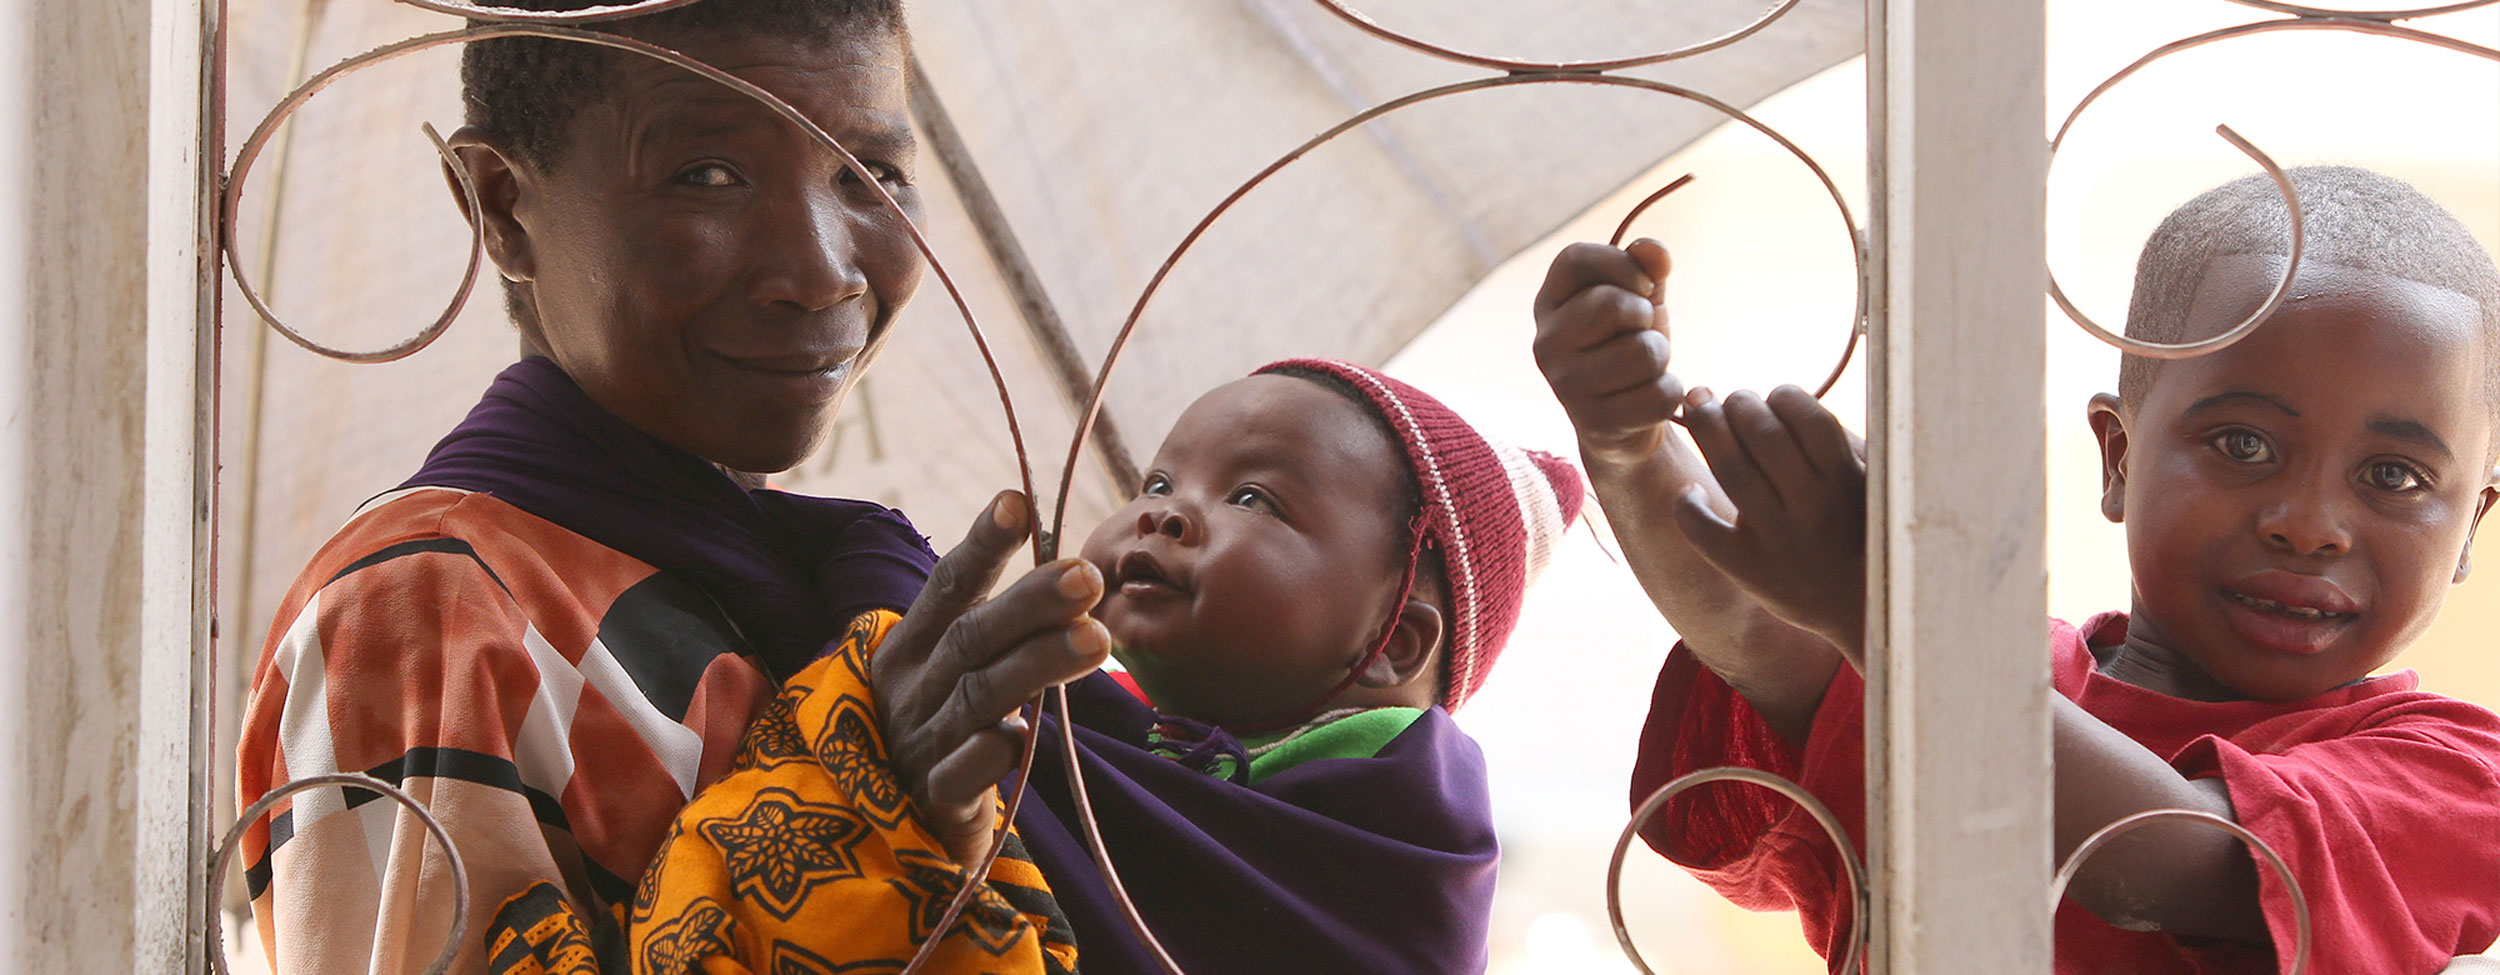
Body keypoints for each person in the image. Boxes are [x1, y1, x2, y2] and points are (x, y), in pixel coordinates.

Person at [234, 3, 1110, 972]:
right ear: (502, 207)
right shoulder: (431, 615)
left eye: (871, 175)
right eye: (710, 177)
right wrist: (854, 813)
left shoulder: (829, 592)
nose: (822, 272)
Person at [1532, 166, 2500, 973]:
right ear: (2118, 459)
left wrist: (1887, 624)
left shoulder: (2452, 773)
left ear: (2470, 528)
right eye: (2242, 444)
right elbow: (1752, 630)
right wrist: (1626, 444)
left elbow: (2178, 861)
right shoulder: (1973, 669)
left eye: (2393, 475)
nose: (2308, 526)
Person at [631, 359, 1586, 974]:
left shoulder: (1405, 839)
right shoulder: (1094, 728)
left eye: (1253, 498)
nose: (1163, 512)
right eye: (1159, 481)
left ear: (1395, 644)